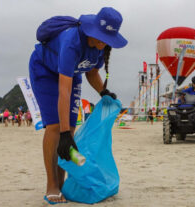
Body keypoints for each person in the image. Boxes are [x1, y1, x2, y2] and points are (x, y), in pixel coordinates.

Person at [29, 7, 127, 204]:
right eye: (100, 37)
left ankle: (62, 181)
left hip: (72, 75)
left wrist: (103, 92)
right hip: (45, 71)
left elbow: (90, 72)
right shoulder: (71, 42)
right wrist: (63, 133)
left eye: (107, 39)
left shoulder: (100, 48)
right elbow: (63, 90)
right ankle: (52, 185)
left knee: (71, 129)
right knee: (56, 127)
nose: (102, 42)